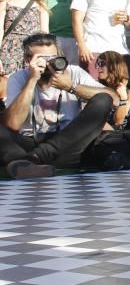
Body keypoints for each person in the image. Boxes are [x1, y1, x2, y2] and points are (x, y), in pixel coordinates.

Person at [0, 33, 115, 178]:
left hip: (67, 143)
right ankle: (25, 162)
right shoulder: (19, 78)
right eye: (42, 59)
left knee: (103, 100)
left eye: (53, 58)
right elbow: (13, 124)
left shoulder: (73, 73)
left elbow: (113, 99)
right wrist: (31, 80)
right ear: (28, 60)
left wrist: (71, 87)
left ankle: (27, 162)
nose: (49, 64)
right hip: (30, 141)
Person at [0, 0, 50, 81]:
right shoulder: (5, 2)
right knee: (9, 86)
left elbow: (45, 33)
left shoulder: (40, 5)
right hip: (9, 50)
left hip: (33, 50)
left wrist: (44, 55)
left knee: (31, 85)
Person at [95, 50, 130, 130]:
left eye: (101, 64)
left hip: (125, 133)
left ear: (113, 65)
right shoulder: (102, 87)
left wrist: (123, 99)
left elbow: (119, 121)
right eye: (97, 64)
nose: (98, 67)